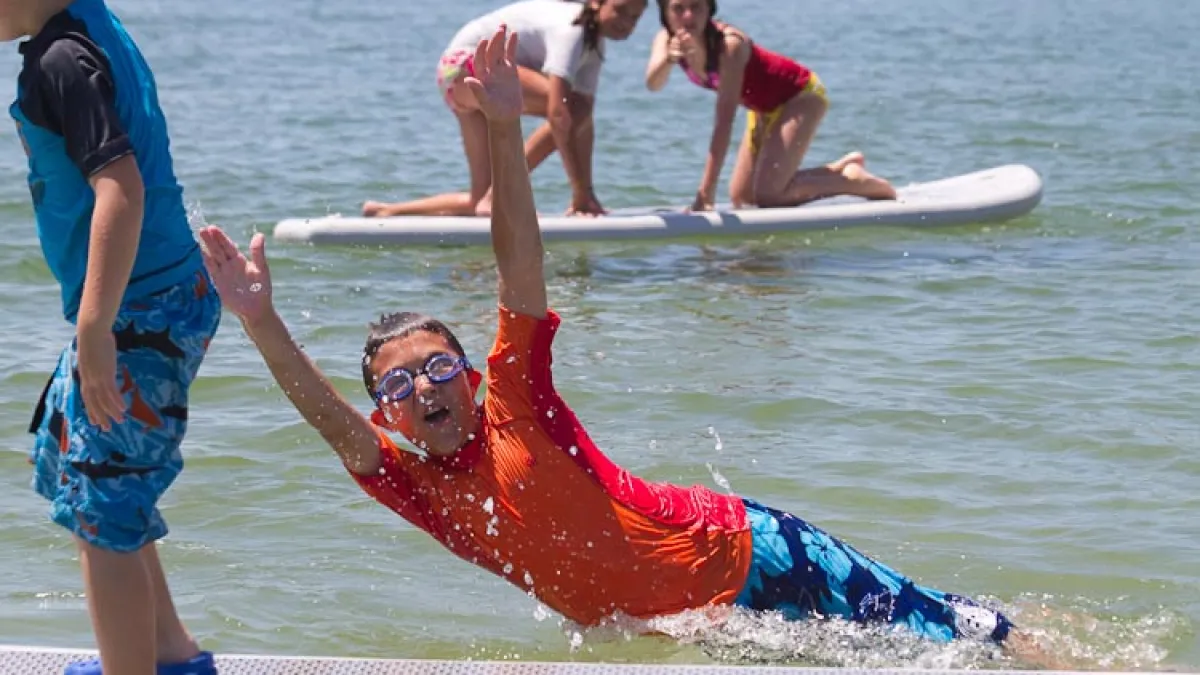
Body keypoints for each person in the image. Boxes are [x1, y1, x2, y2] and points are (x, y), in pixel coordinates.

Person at [203, 23, 1044, 663]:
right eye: (400, 386)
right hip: (704, 630)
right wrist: (257, 318)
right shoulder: (409, 484)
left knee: (966, 639)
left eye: (437, 366)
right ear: (387, 416)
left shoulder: (516, 406)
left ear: (467, 374)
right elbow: (325, 418)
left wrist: (505, 128)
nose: (423, 388)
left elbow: (519, 272)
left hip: (761, 554)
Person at [2, 0, 223, 674]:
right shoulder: (83, 28)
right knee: (86, 472)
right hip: (144, 298)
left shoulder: (62, 59)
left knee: (106, 502)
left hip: (139, 309)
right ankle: (169, 655)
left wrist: (96, 328)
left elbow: (119, 189)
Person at [361, 0, 645, 219]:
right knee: (567, 109)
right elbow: (560, 115)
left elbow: (583, 124)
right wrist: (582, 193)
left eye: (635, 17)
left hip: (456, 80)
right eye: (620, 10)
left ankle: (387, 211)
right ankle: (498, 194)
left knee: (479, 200)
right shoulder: (572, 28)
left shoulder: (594, 45)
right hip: (466, 66)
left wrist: (586, 192)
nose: (626, 23)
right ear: (596, 2)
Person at [644, 0, 896, 211]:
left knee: (769, 196)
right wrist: (667, 59)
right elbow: (653, 84)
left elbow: (724, 123)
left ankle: (853, 181)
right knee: (744, 198)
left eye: (696, 7)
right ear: (665, 13)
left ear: (710, 9)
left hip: (800, 96)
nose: (688, 16)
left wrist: (705, 195)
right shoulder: (665, 39)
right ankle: (836, 170)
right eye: (678, 8)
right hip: (763, 107)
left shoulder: (728, 46)